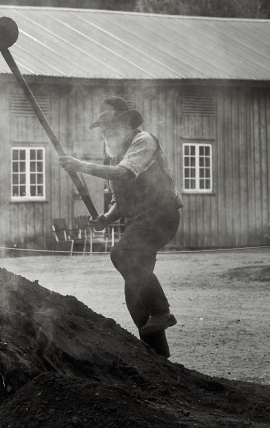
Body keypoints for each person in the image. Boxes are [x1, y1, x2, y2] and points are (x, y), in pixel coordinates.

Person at [59, 96, 184, 358]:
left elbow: (125, 173)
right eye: (101, 128)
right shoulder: (115, 155)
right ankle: (158, 357)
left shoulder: (143, 141)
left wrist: (81, 166)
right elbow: (121, 198)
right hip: (139, 222)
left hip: (161, 215)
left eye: (107, 125)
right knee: (134, 295)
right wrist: (106, 218)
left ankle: (162, 311)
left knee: (122, 254)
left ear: (124, 123)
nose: (103, 132)